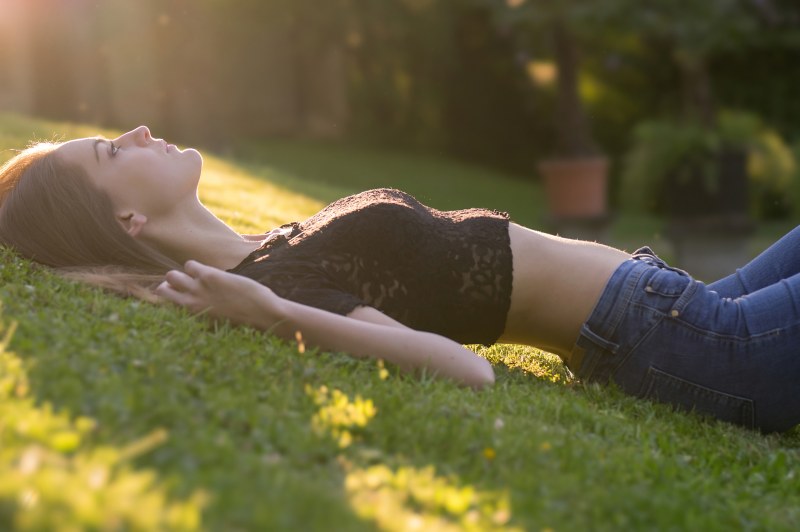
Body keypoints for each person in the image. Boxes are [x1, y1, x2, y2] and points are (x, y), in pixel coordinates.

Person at [1, 126, 799, 433]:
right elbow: (467, 371)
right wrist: (274, 317)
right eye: (112, 151)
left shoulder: (272, 247)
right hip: (695, 348)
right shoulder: (278, 282)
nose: (137, 131)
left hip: (689, 306)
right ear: (126, 223)